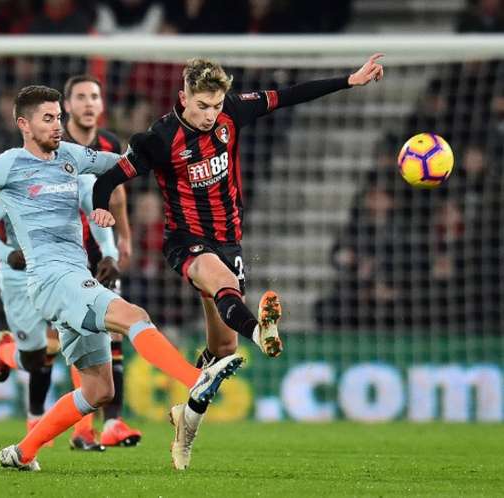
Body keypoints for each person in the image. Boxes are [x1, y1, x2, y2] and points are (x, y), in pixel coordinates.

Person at [0, 85, 243, 471]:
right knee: (133, 315)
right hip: (51, 280)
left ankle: (22, 451)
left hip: (76, 276)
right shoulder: (7, 165)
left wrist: (163, 146)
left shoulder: (70, 155)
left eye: (59, 117)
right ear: (24, 124)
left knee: (98, 390)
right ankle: (196, 381)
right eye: (49, 118)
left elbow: (120, 163)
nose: (58, 125)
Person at [90, 54, 385, 469]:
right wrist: (101, 208)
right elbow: (108, 179)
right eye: (202, 106)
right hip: (186, 241)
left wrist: (350, 81)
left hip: (230, 240)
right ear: (183, 97)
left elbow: (288, 96)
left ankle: (186, 420)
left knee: (221, 348)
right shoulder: (158, 138)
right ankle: (260, 332)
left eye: (215, 105)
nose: (211, 115)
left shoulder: (233, 111)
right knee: (220, 280)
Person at [0, 174, 119, 452]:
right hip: (19, 277)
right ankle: (7, 352)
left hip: (63, 272)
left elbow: (97, 214)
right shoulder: (10, 179)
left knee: (76, 335)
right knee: (38, 356)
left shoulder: (74, 178)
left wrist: (111, 253)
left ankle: (77, 430)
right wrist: (7, 254)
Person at [61, 74, 141, 449]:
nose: (89, 103)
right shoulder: (54, 143)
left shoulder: (110, 143)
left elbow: (119, 196)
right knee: (71, 335)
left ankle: (113, 423)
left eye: (94, 96)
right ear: (66, 106)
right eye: (81, 97)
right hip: (64, 251)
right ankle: (81, 426)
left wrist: (123, 237)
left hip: (102, 250)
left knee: (112, 333)